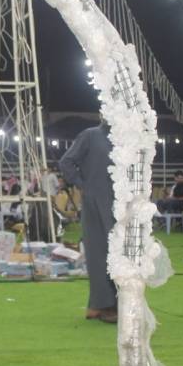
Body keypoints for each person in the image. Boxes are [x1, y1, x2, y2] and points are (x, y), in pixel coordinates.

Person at [59, 120, 117, 324]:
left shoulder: (126, 137)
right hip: (96, 203)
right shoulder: (91, 135)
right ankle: (105, 305)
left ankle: (100, 305)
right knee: (99, 254)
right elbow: (66, 162)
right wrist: (84, 185)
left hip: (121, 204)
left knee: (120, 254)